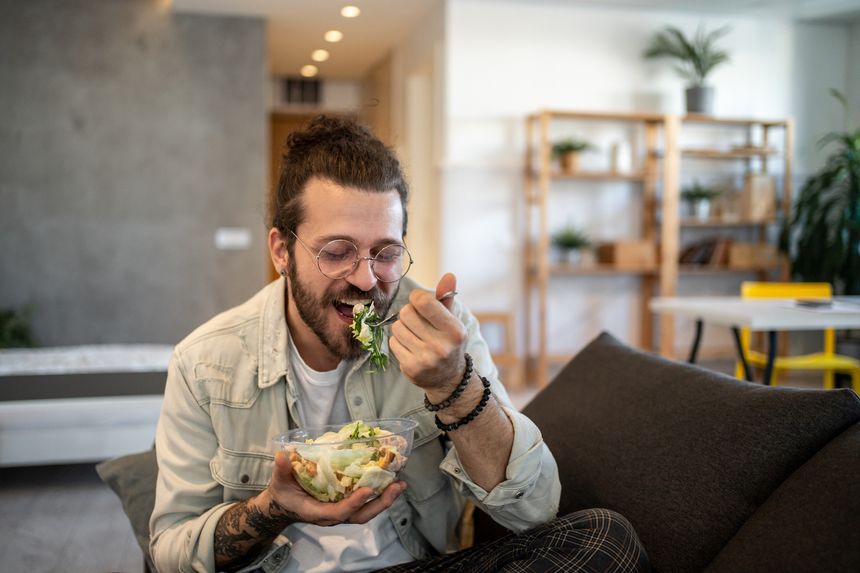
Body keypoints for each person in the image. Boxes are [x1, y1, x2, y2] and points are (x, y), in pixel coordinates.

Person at [149, 115, 650, 573]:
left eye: (385, 252)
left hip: (414, 564)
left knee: (607, 540)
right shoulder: (204, 363)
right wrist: (273, 507)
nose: (366, 280)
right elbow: (170, 551)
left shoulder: (442, 330)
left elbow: (533, 511)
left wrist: (454, 384)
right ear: (282, 250)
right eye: (337, 251)